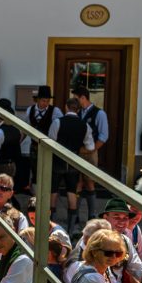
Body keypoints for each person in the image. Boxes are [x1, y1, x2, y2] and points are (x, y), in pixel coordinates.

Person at [48, 97, 94, 234]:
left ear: (66, 107)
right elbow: (90, 147)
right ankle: (71, 230)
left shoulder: (57, 122)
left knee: (53, 191)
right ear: (78, 110)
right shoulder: (85, 125)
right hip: (73, 161)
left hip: (58, 160)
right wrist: (77, 149)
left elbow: (50, 142)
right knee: (72, 192)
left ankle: (50, 225)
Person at [74, 86, 109, 220]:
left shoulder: (99, 113)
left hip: (90, 153)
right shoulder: (77, 112)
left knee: (89, 183)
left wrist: (91, 149)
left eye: (76, 99)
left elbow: (103, 136)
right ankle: (75, 214)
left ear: (83, 98)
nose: (75, 102)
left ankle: (92, 215)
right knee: (77, 183)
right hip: (77, 152)